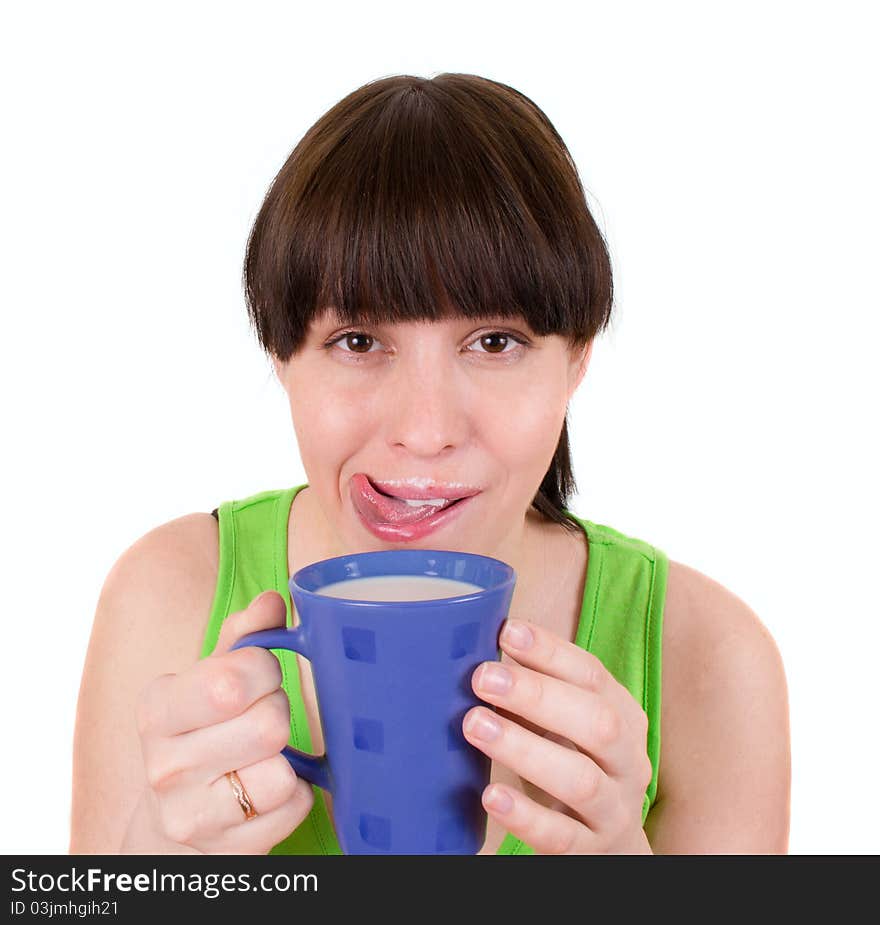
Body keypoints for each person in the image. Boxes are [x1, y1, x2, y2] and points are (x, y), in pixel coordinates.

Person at [70, 73, 790, 855]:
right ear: (282, 356)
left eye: (494, 342)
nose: (424, 430)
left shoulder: (712, 658)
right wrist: (152, 868)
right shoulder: (167, 595)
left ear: (577, 360)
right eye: (357, 341)